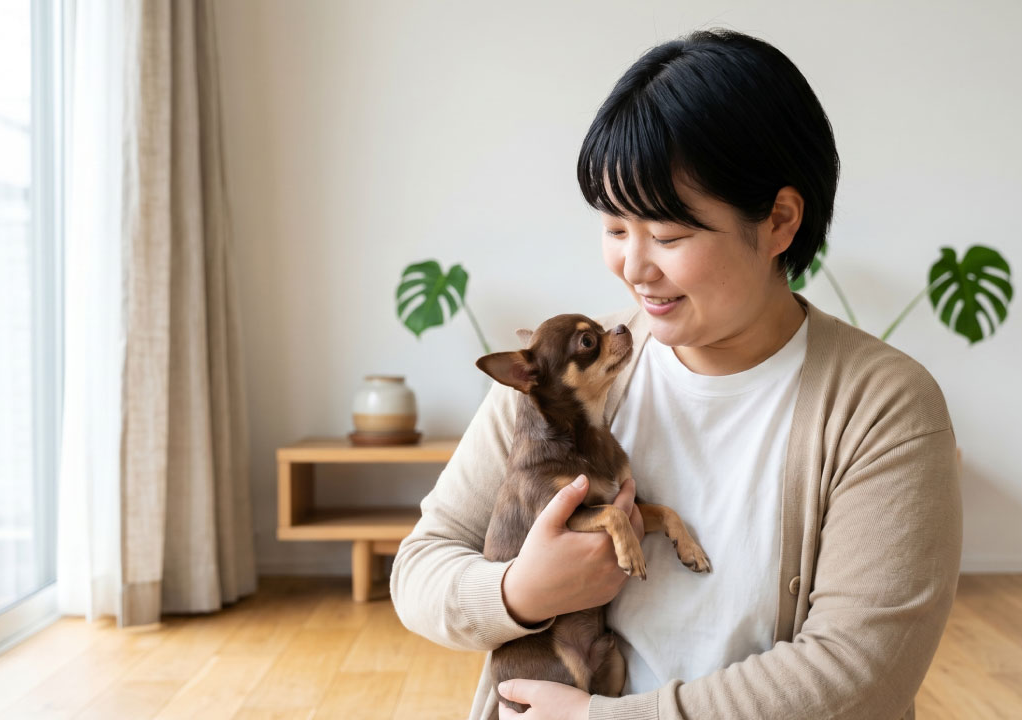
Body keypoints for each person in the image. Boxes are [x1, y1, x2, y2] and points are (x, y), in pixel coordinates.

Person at [390, 27, 961, 720]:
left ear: (779, 221)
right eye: (613, 227)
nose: (634, 266)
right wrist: (520, 592)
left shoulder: (883, 407)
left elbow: (859, 674)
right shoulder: (568, 382)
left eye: (668, 236)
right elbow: (420, 570)